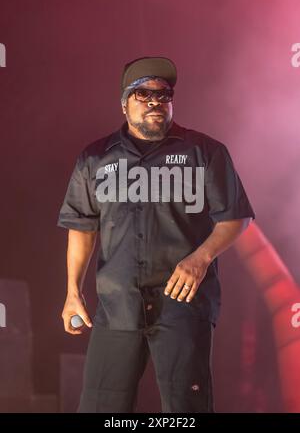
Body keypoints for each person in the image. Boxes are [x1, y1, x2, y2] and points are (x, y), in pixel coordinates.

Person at [57, 56, 255, 413]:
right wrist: (73, 292)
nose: (154, 101)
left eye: (163, 94)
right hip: (117, 307)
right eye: (142, 93)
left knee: (185, 411)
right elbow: (82, 226)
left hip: (183, 307)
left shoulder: (205, 152)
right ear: (123, 104)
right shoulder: (95, 159)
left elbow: (236, 218)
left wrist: (201, 258)